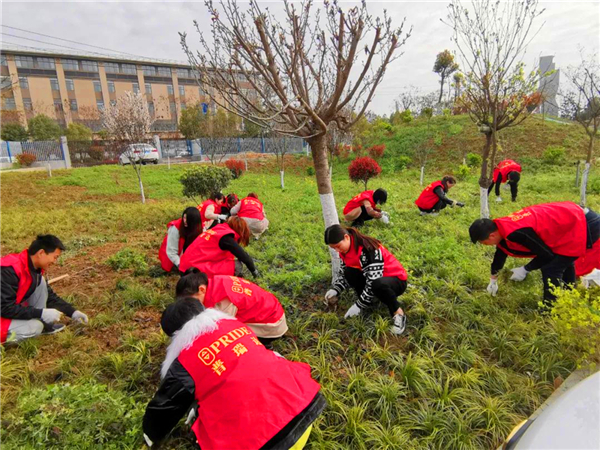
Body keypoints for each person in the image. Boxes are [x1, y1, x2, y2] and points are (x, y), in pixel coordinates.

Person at [142, 298, 326, 450]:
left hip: (266, 442)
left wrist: (150, 434)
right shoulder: (236, 326)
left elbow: (165, 406)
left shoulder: (184, 362)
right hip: (303, 415)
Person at [468, 201, 596, 306]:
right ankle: (569, 296)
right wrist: (493, 279)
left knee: (551, 267)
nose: (486, 246)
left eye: (484, 243)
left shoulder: (517, 232)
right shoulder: (502, 227)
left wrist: (525, 269)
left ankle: (551, 308)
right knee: (563, 261)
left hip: (582, 222)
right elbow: (500, 254)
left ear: (491, 235)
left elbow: (545, 255)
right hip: (570, 218)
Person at [1, 235, 89, 344]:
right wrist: (40, 313)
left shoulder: (34, 270)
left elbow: (50, 297)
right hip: (3, 313)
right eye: (55, 257)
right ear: (41, 253)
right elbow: (5, 308)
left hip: (6, 312)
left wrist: (73, 312)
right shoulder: (9, 270)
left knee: (41, 283)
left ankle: (43, 326)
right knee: (35, 327)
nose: (55, 261)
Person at [323, 225, 408, 335]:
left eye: (338, 246)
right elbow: (345, 274)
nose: (337, 250)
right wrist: (336, 289)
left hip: (396, 280)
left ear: (346, 237)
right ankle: (369, 303)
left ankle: (398, 313)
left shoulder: (368, 249)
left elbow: (373, 280)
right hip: (374, 279)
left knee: (378, 285)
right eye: (333, 248)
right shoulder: (345, 251)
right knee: (350, 272)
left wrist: (358, 305)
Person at [176, 268, 287, 349]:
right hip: (270, 309)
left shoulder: (222, 301)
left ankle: (265, 345)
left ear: (201, 289)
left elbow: (224, 330)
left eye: (192, 300)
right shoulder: (215, 281)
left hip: (272, 323)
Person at [178, 217, 258, 278]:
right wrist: (254, 272)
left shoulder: (219, 230)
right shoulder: (226, 238)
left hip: (185, 266)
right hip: (193, 271)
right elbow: (244, 257)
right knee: (237, 265)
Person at [158, 207, 202, 272]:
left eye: (188, 219)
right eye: (184, 218)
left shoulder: (198, 227)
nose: (185, 221)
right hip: (172, 258)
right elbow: (171, 252)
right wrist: (180, 265)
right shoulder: (175, 228)